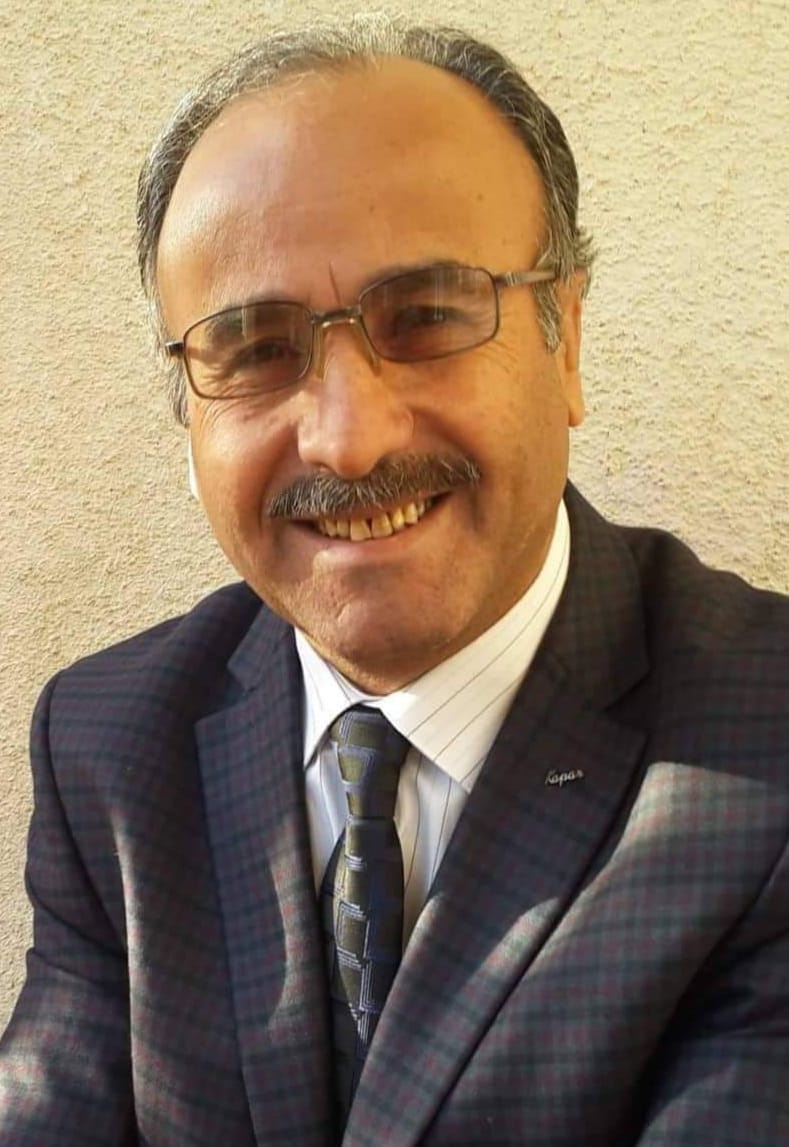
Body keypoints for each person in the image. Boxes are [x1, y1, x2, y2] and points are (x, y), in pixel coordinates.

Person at [1, 15, 787, 1147]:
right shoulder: (109, 748)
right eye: (255, 348)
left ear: (566, 341)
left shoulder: (765, 747)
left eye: (425, 316)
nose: (347, 436)